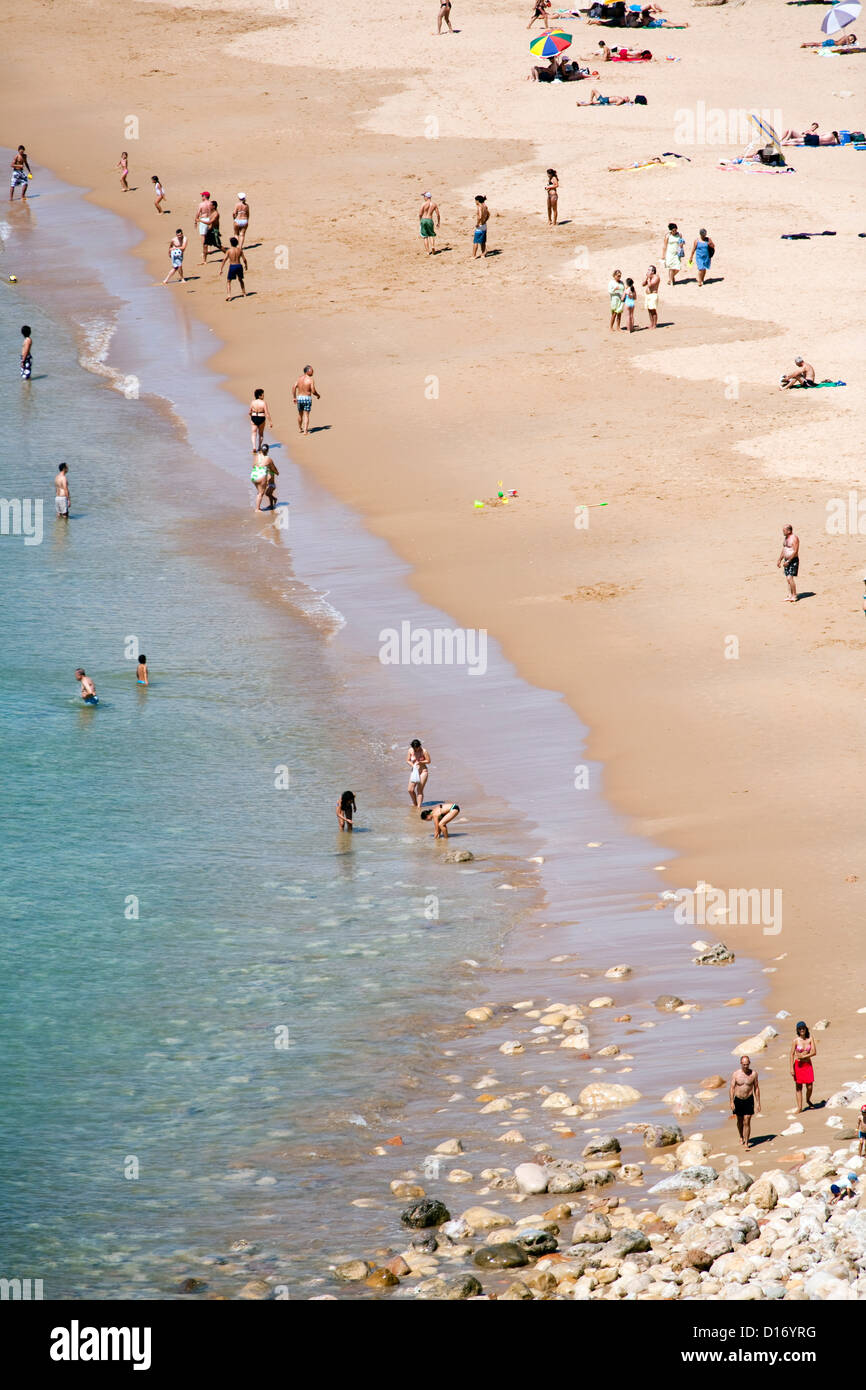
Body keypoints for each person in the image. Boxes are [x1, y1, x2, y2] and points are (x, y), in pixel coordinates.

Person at [729, 1055, 761, 1149]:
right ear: (741, 1064)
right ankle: (741, 1136)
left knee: (747, 1120)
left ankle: (746, 1143)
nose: (745, 1066)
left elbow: (756, 1088)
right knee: (740, 1120)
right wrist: (731, 1102)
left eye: (747, 1064)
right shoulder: (736, 1074)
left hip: (749, 1099)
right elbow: (732, 1088)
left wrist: (758, 1102)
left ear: (749, 1063)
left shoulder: (754, 1074)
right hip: (738, 1099)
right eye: (743, 1064)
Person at [790, 1022, 817, 1110]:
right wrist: (791, 1068)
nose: (802, 1030)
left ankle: (808, 1099)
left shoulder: (810, 1039)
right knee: (799, 1087)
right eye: (800, 1029)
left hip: (807, 1064)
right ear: (797, 1030)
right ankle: (799, 1107)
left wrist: (804, 1056)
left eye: (803, 1028)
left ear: (806, 1029)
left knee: (809, 1086)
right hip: (798, 1065)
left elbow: (814, 1052)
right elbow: (791, 1054)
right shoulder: (796, 1041)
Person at [293, 365, 320, 435]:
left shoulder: (299, 378)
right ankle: (305, 431)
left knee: (300, 414)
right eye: (312, 370)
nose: (313, 372)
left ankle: (300, 428)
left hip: (299, 398)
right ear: (308, 371)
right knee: (306, 415)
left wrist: (294, 397)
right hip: (307, 398)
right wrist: (318, 395)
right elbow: (313, 391)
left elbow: (294, 387)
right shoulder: (310, 380)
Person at [220, 237, 247, 301]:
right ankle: (244, 293)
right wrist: (246, 265)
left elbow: (224, 260)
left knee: (229, 281)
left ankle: (229, 295)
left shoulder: (229, 251)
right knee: (240, 280)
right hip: (239, 265)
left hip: (232, 266)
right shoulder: (239, 250)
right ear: (237, 243)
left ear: (231, 243)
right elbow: (244, 259)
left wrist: (221, 269)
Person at [777, 524, 800, 603]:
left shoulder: (794, 538)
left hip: (792, 560)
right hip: (786, 560)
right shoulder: (786, 538)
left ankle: (794, 595)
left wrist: (789, 561)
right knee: (787, 578)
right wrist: (779, 559)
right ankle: (790, 595)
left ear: (789, 531)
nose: (783, 532)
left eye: (784, 530)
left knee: (790, 578)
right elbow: (784, 549)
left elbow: (795, 551)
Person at [407, 739, 431, 808]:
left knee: (419, 790)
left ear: (419, 746)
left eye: (417, 748)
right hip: (414, 771)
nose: (415, 750)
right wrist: (413, 765)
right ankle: (415, 804)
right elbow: (407, 760)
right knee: (410, 790)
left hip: (423, 771)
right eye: (414, 748)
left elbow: (429, 761)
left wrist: (421, 762)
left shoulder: (424, 751)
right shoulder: (410, 750)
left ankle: (419, 807)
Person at [249, 388, 273, 454]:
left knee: (254, 433)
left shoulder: (253, 402)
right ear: (259, 396)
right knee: (261, 434)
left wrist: (251, 416)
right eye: (263, 395)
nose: (263, 396)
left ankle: (254, 447)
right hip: (261, 418)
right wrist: (270, 422)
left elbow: (250, 412)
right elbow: (267, 413)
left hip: (254, 417)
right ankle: (259, 447)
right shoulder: (263, 403)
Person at [662, 221, 684, 285]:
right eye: (673, 230)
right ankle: (671, 281)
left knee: (677, 268)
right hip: (670, 253)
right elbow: (665, 246)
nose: (675, 231)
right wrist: (663, 255)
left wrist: (681, 246)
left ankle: (670, 278)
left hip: (677, 253)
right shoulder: (668, 236)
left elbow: (681, 242)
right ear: (670, 230)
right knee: (671, 267)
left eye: (675, 230)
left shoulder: (679, 235)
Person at [195, 192, 215, 261]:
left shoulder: (201, 204)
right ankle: (209, 249)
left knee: (203, 236)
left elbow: (198, 213)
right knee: (209, 234)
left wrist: (196, 221)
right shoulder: (211, 203)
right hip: (210, 219)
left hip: (203, 219)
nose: (201, 197)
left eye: (202, 196)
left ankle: (204, 252)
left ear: (204, 196)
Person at [472, 195, 489, 259]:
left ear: (477, 201)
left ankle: (473, 255)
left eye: (475, 201)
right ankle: (483, 254)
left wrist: (477, 223)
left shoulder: (479, 207)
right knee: (482, 241)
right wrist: (485, 220)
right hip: (484, 225)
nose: (475, 202)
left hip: (480, 225)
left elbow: (480, 216)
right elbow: (488, 214)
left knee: (476, 241)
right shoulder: (485, 206)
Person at [576, 89, 640, 105]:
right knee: (593, 90)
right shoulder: (622, 99)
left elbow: (617, 104)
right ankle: (590, 99)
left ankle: (580, 104)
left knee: (592, 103)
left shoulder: (622, 100)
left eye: (627, 98)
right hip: (604, 98)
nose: (627, 97)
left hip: (604, 101)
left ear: (626, 100)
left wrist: (622, 102)